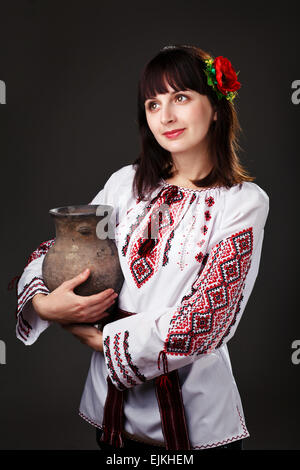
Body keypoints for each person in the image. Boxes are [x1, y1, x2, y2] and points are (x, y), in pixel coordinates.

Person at [14, 44, 269, 451]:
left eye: (181, 98)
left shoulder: (242, 202)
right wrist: (44, 303)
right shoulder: (125, 183)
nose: (165, 116)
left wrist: (105, 342)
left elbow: (207, 321)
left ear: (217, 107)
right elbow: (65, 247)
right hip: (111, 412)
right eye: (153, 104)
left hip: (193, 416)